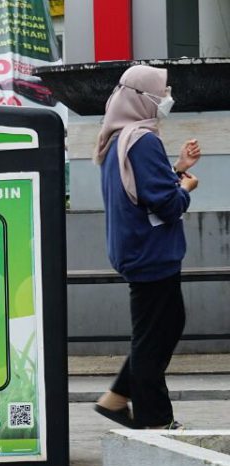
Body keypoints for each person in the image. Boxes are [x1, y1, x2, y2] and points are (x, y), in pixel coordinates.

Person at [93, 65, 200, 430]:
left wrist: (177, 169)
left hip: (136, 249)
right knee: (159, 333)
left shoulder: (117, 138)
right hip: (151, 252)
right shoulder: (143, 139)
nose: (167, 96)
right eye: (163, 90)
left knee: (158, 329)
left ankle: (116, 398)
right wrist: (185, 188)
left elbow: (142, 190)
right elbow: (165, 204)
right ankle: (155, 419)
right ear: (144, 98)